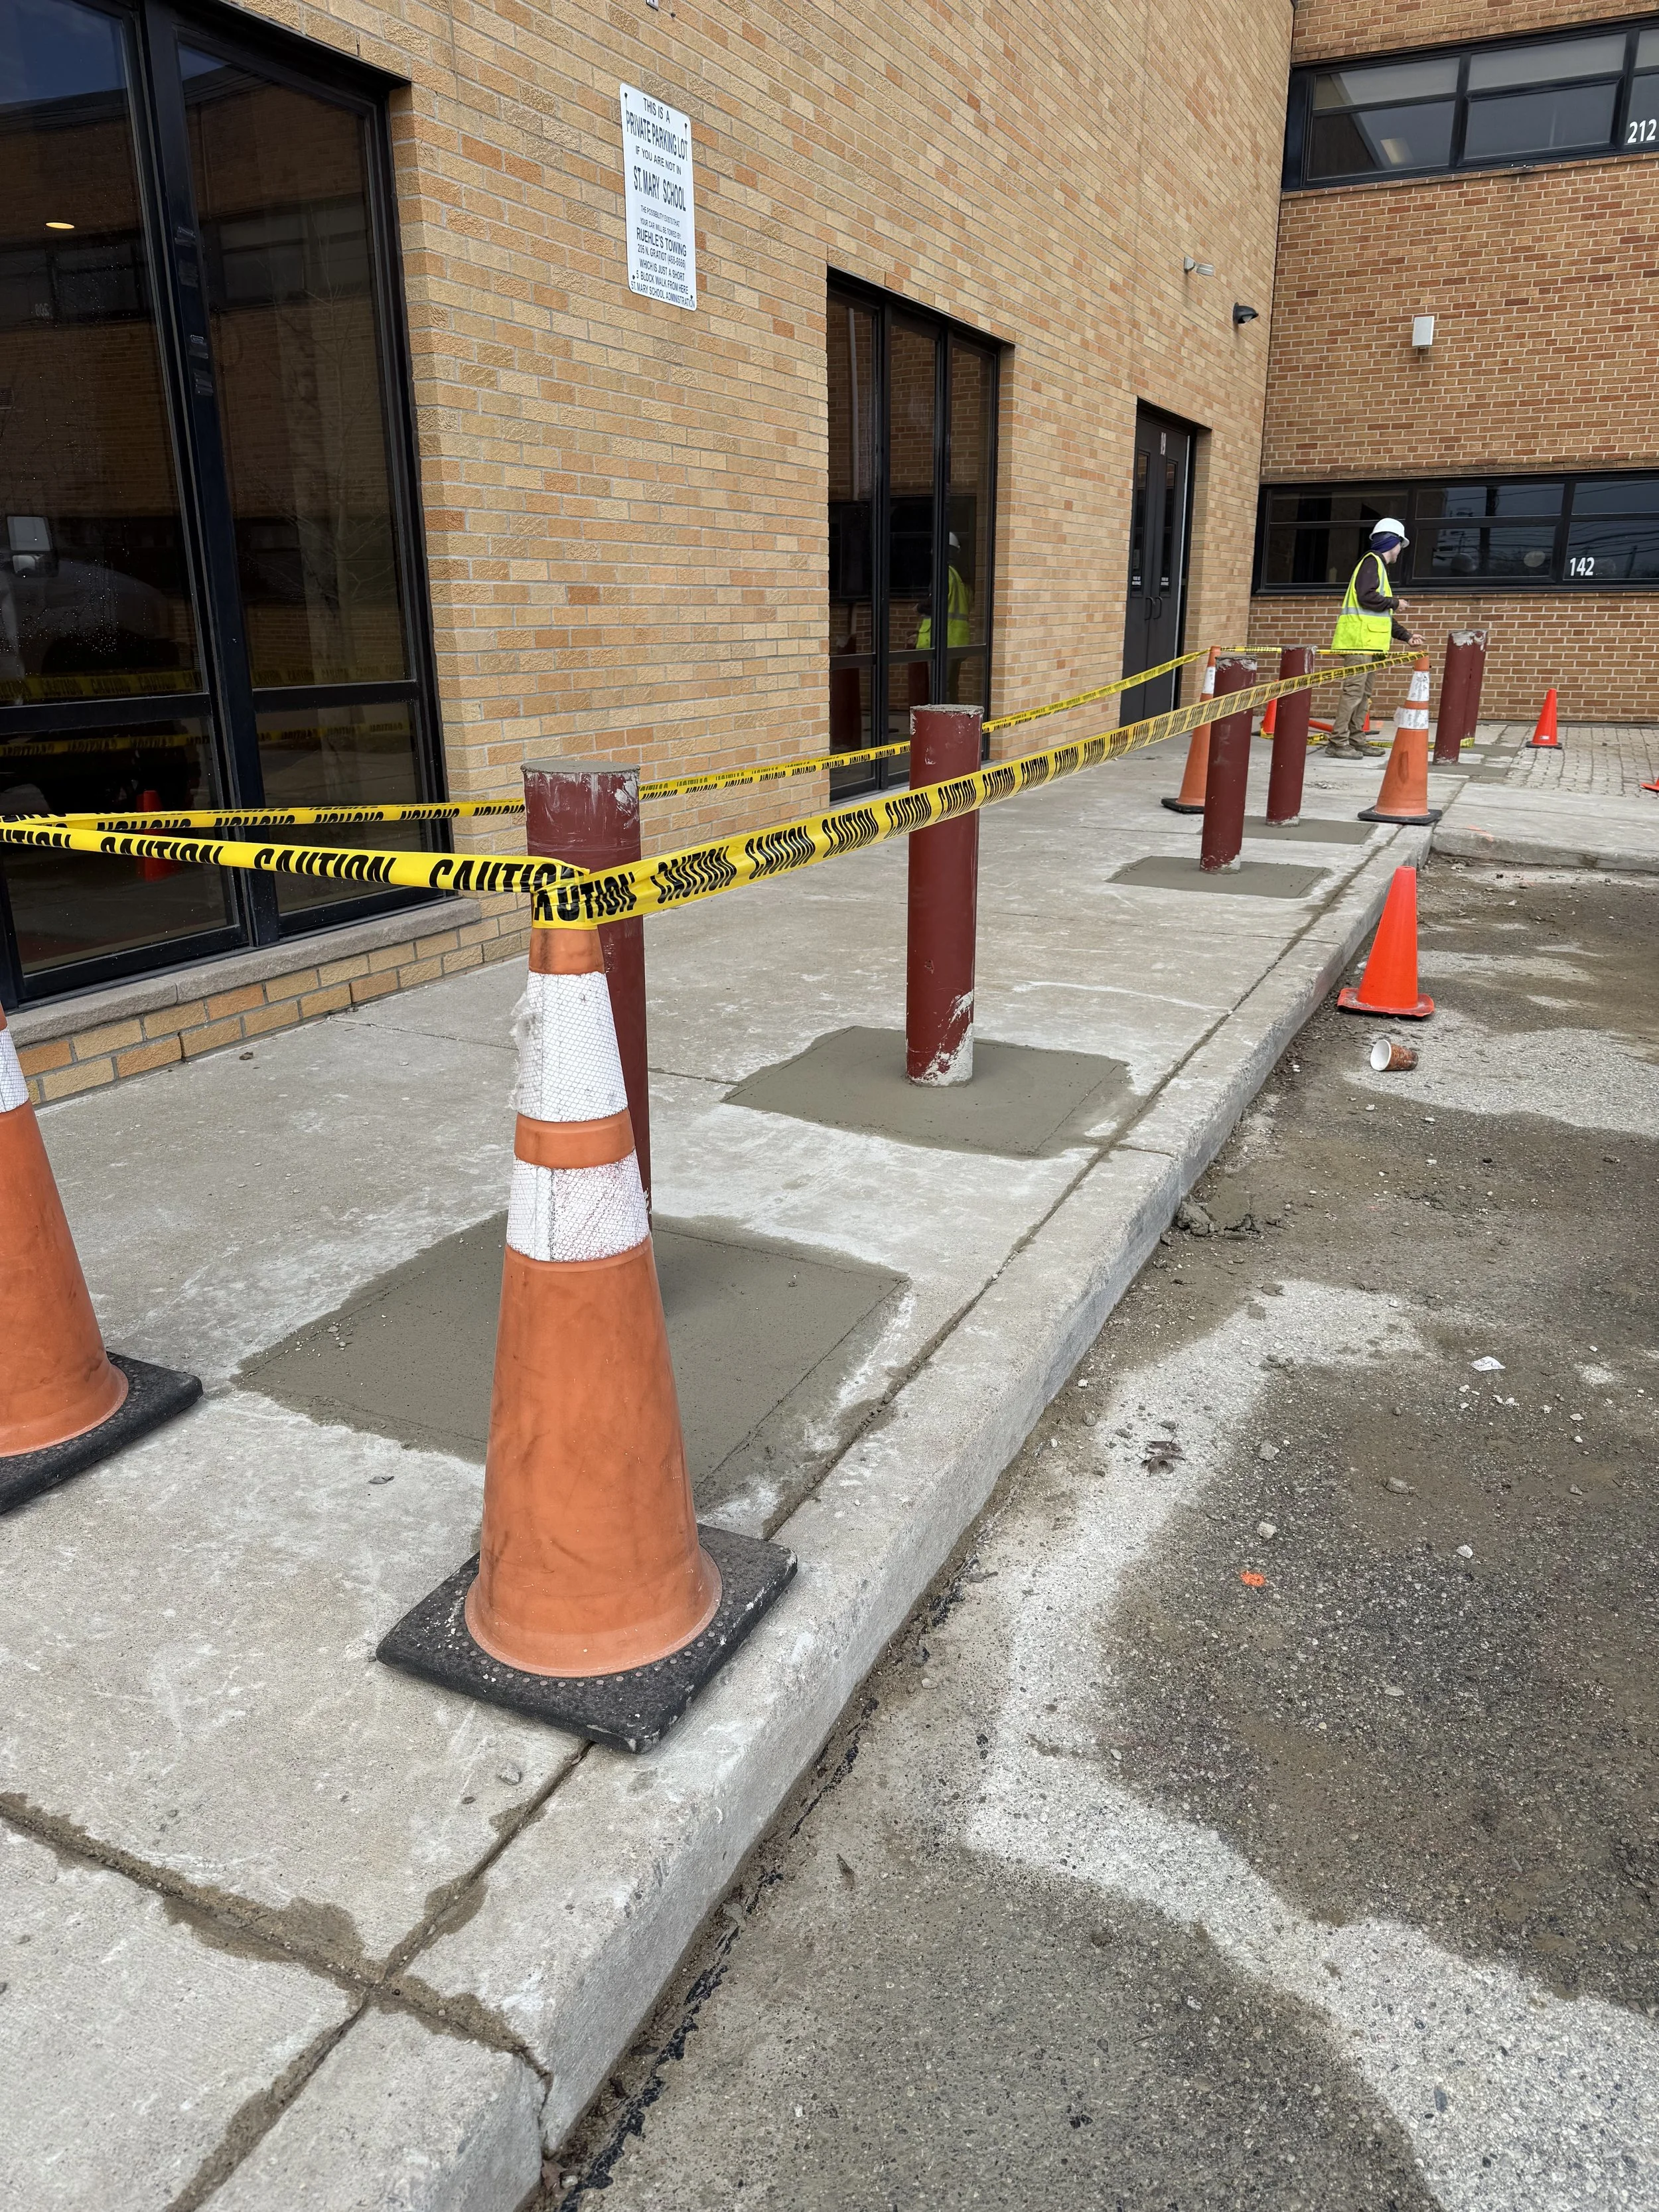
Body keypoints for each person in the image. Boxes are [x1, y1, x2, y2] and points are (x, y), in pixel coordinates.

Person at [1327, 518, 1423, 759]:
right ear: (1393, 542)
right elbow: (1366, 597)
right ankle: (1338, 743)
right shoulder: (1372, 563)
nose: (1401, 551)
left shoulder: (1377, 568)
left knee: (1363, 696)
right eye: (1401, 545)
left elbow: (1382, 616)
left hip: (1368, 645)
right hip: (1358, 643)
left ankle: (1356, 739)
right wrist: (1396, 603)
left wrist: (1407, 636)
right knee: (1353, 694)